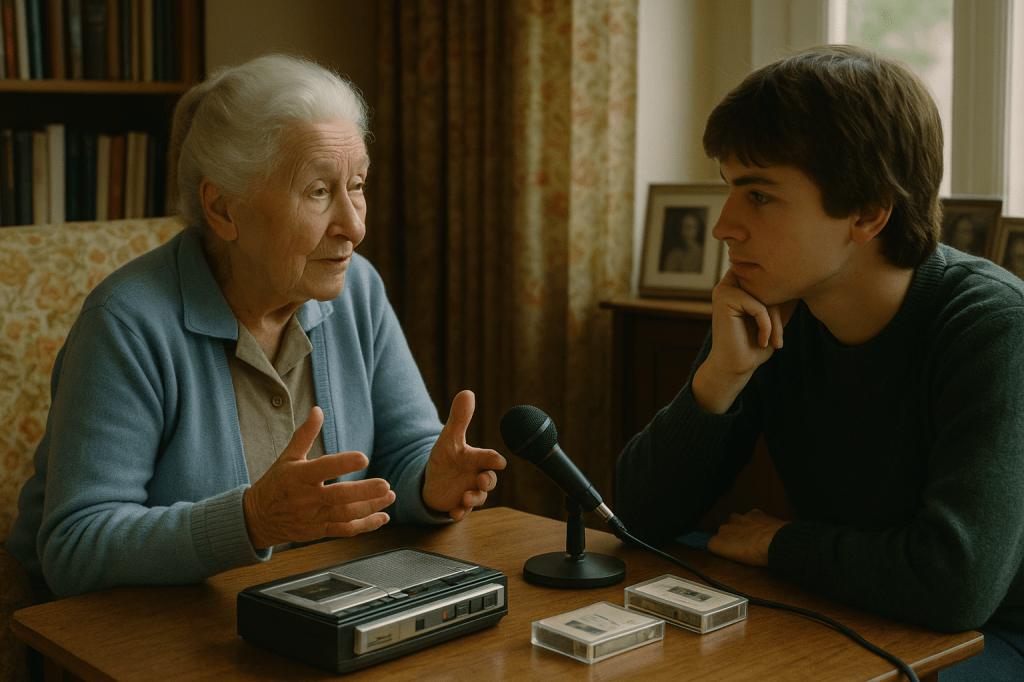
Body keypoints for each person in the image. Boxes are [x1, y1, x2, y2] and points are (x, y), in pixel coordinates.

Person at [4, 54, 505, 604]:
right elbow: (74, 546)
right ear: (222, 208)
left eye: (356, 184)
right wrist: (251, 521)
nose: (355, 226)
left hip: (302, 612)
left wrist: (430, 486)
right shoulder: (127, 323)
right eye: (318, 191)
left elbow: (405, 452)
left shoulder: (356, 289)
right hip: (134, 636)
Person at [615, 46, 1024, 680]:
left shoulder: (993, 326)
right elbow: (640, 518)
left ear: (868, 211)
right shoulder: (776, 303)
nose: (724, 226)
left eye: (760, 196)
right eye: (729, 189)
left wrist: (780, 543)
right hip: (847, 604)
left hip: (991, 636)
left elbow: (955, 587)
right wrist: (720, 379)